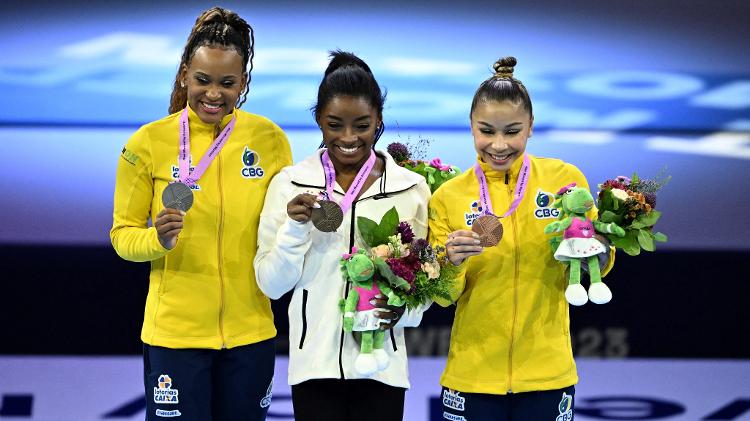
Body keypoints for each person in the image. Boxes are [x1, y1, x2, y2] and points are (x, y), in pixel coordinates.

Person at [110, 7, 291, 421]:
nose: (213, 94)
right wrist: (156, 239)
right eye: (202, 81)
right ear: (184, 76)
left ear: (243, 82)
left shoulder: (269, 139)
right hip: (174, 337)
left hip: (251, 335)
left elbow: (279, 230)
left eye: (227, 83)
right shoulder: (148, 143)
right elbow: (122, 236)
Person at [428, 57, 616, 420]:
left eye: (512, 131)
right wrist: (448, 262)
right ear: (470, 126)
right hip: (471, 377)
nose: (498, 145)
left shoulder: (564, 179)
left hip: (547, 374)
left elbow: (600, 266)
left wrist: (595, 248)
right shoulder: (448, 196)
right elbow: (443, 296)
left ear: (531, 126)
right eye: (487, 131)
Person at [254, 50, 431, 421]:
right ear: (319, 119)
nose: (348, 138)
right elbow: (271, 285)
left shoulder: (411, 188)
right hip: (313, 366)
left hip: (382, 363)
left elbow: (424, 283)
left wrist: (404, 312)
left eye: (361, 125)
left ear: (378, 119)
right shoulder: (289, 184)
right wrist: (295, 228)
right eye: (335, 124)